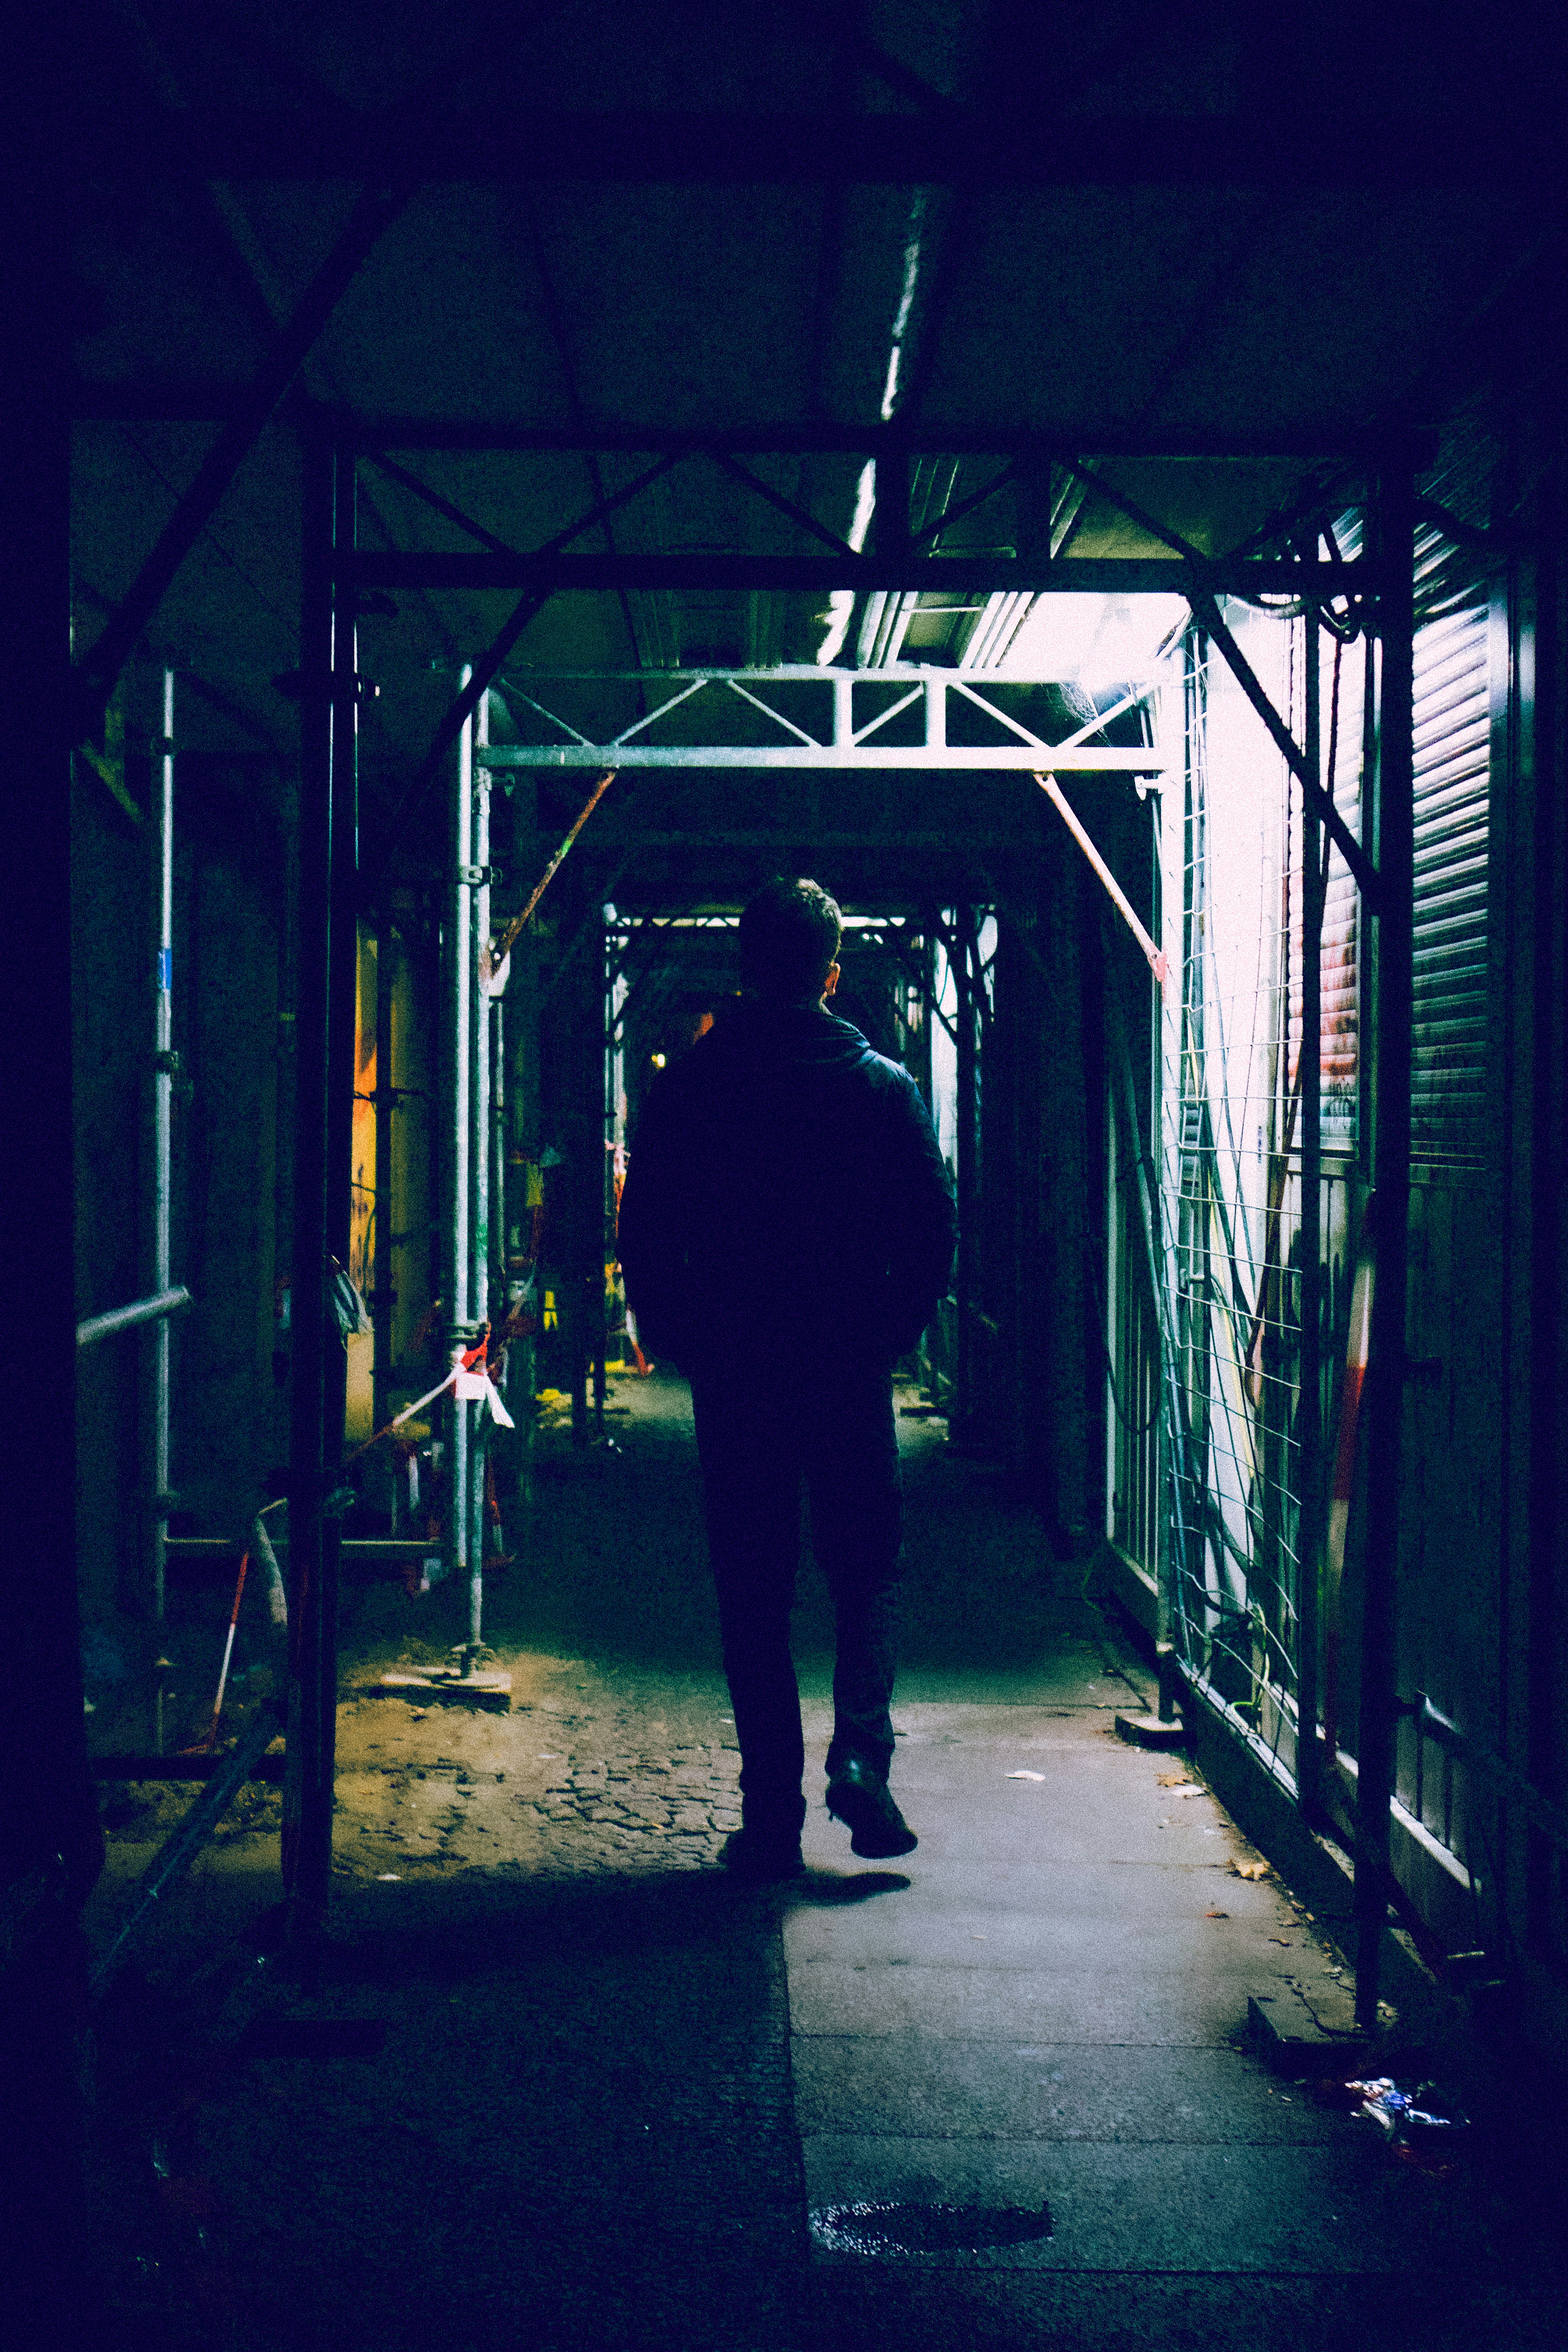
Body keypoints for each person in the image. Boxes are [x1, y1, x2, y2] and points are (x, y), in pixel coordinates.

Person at [617, 878, 958, 1880]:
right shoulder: (881, 1088)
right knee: (866, 1570)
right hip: (844, 1365)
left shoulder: (693, 1086)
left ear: (745, 968)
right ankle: (860, 1762)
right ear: (831, 975)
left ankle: (771, 1817)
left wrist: (680, 1335)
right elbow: (931, 1232)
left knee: (753, 1589)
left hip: (739, 1371)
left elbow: (645, 1230)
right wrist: (886, 1333)